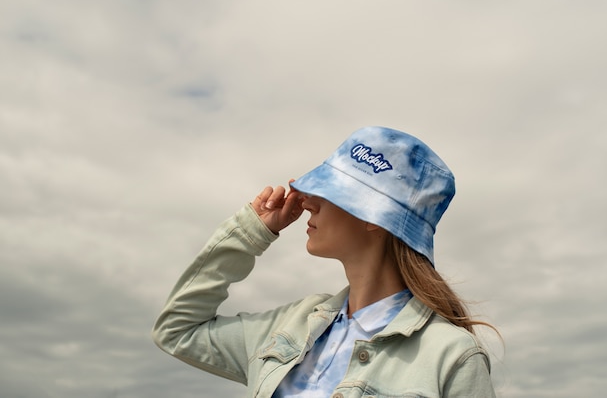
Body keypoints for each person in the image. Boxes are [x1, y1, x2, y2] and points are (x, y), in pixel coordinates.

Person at [152, 126, 498, 397]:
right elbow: (177, 331)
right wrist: (249, 233)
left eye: (329, 193)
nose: (307, 202)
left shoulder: (452, 356)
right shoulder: (291, 326)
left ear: (375, 217)